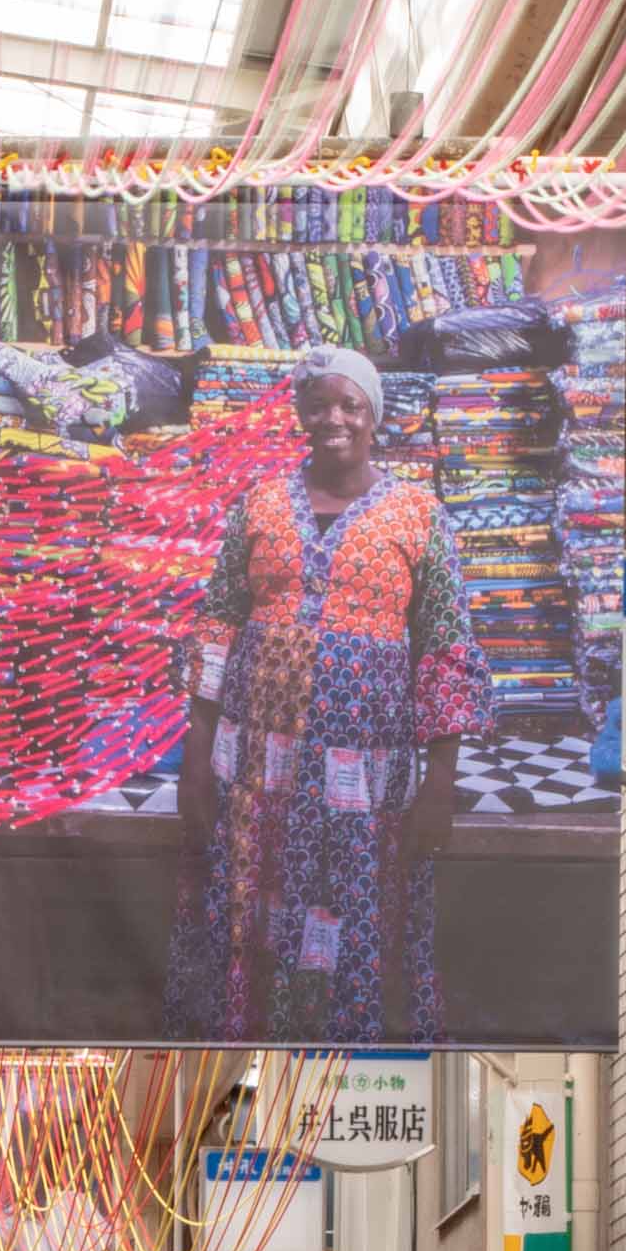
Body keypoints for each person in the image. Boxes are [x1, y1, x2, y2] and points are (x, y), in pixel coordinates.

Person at [166, 346, 490, 1043]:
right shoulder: (260, 504)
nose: (334, 417)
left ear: (375, 414)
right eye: (320, 403)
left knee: (355, 903)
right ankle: (246, 1047)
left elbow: (444, 647)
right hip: (254, 768)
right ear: (301, 413)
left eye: (351, 403)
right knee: (254, 898)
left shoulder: (418, 515)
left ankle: (348, 1050)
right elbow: (217, 624)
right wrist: (195, 761)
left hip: (366, 778)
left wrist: (441, 781)